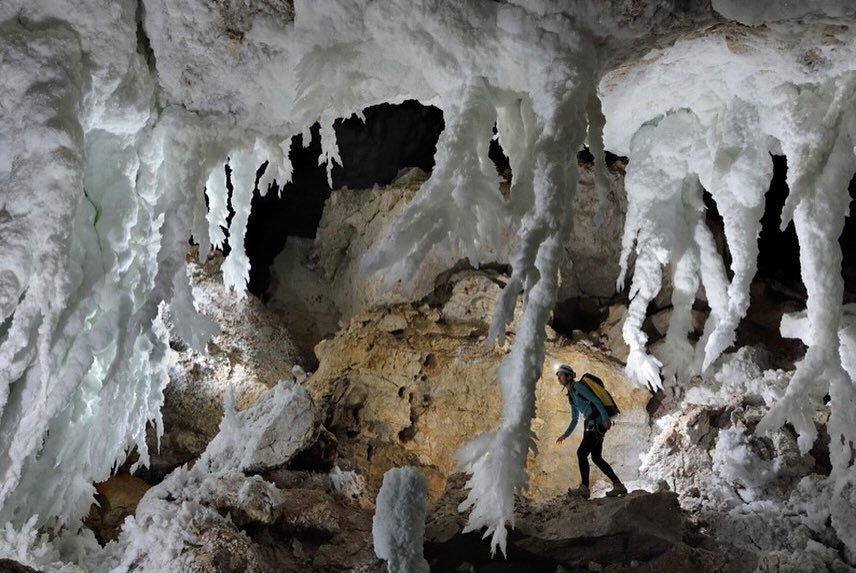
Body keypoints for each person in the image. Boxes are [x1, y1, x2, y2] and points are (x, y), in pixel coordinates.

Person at [554, 364, 627, 499]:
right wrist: (565, 435)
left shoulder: (578, 387)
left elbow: (596, 400)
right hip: (591, 424)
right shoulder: (571, 395)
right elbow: (575, 419)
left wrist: (605, 419)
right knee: (596, 457)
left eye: (561, 375)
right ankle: (618, 485)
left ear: (569, 376)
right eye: (558, 375)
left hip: (597, 423)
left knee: (581, 453)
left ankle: (584, 488)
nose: (559, 377)